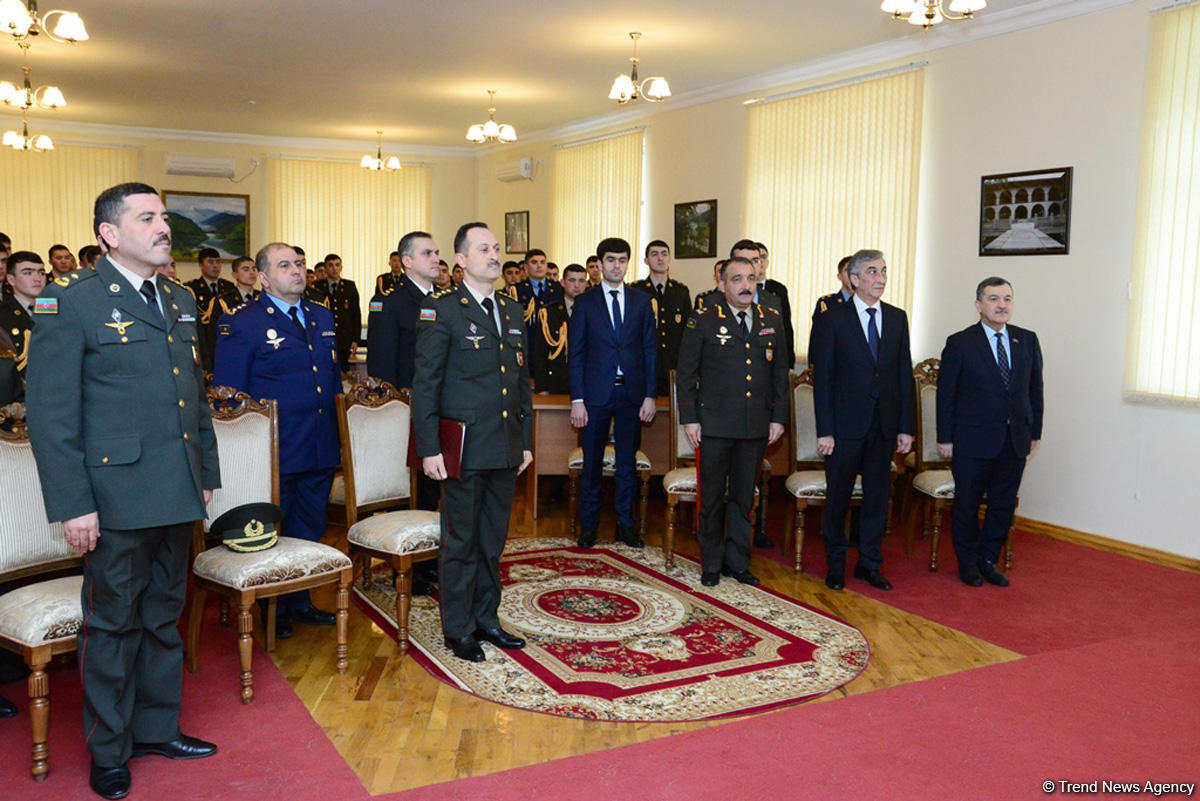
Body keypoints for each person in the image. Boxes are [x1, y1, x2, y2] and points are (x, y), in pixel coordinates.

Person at [26, 182, 221, 800]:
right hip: (113, 496)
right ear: (110, 233)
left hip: (177, 487)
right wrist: (72, 503)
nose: (165, 227)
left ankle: (157, 727)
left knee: (164, 616)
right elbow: (52, 417)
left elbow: (193, 398)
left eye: (164, 216)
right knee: (112, 625)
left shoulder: (178, 297)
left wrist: (207, 473)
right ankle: (109, 750)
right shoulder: (72, 302)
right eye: (148, 217)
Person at [412, 222, 532, 663]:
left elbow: (520, 383)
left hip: (504, 446)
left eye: (497, 248)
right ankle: (458, 628)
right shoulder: (442, 309)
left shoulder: (513, 310)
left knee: (492, 541)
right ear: (461, 260)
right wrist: (429, 448)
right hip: (462, 447)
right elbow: (426, 384)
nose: (495, 256)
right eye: (484, 249)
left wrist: (526, 441)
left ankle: (487, 618)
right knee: (460, 541)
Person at [213, 242, 342, 638]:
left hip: (318, 442)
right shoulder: (244, 322)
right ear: (264, 278)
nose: (297, 271)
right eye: (285, 265)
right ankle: (272, 607)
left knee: (310, 525)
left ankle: (299, 600)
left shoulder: (321, 315)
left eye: (300, 264)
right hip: (274, 449)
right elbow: (228, 396)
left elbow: (331, 380)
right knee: (274, 531)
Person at [675, 256, 788, 587]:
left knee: (743, 498)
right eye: (737, 279)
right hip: (713, 426)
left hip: (755, 426)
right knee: (711, 498)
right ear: (722, 284)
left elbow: (780, 373)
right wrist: (690, 420)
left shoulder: (771, 319)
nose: (746, 286)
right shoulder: (704, 320)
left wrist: (778, 418)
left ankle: (738, 562)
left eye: (751, 278)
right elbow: (686, 374)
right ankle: (711, 563)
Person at [811, 248, 914, 592]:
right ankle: (836, 562)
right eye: (872, 271)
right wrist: (825, 429)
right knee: (838, 498)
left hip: (883, 426)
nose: (880, 278)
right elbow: (822, 379)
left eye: (884, 270)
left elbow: (902, 376)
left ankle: (869, 563)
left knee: (876, 497)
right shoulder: (832, 319)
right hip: (843, 428)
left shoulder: (897, 318)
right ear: (854, 279)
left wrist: (905, 427)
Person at [936, 277, 1043, 587]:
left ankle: (987, 559)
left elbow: (1035, 390)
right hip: (972, 440)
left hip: (1015, 439)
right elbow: (947, 395)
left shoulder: (1027, 339)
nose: (1002, 305)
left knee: (1002, 504)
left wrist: (1034, 430)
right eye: (994, 299)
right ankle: (967, 561)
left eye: (1007, 299)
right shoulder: (960, 342)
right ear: (978, 305)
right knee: (967, 504)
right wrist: (945, 437)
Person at [568, 237, 657, 549]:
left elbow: (650, 350)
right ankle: (589, 527)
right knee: (591, 464)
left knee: (626, 464)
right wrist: (577, 399)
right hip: (594, 397)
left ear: (628, 263)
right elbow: (576, 353)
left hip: (631, 394)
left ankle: (625, 525)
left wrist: (650, 394)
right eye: (610, 260)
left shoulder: (641, 301)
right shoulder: (585, 302)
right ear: (600, 264)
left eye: (621, 260)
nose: (616, 266)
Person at [629, 240, 691, 396]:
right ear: (646, 260)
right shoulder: (636, 291)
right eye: (654, 254)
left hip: (673, 366)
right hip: (643, 366)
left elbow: (688, 331)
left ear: (670, 259)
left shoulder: (680, 291)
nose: (660, 258)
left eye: (664, 254)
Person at [531, 263, 587, 394]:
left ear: (586, 283)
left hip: (587, 384)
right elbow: (540, 353)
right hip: (557, 383)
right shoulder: (549, 313)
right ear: (562, 282)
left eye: (581, 281)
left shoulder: (596, 312)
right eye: (572, 280)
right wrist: (542, 387)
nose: (577, 285)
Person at [199, 255, 259, 371]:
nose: (251, 273)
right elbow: (213, 338)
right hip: (234, 359)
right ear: (235, 275)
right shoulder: (223, 301)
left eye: (254, 269)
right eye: (246, 269)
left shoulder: (262, 298)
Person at [0, 251, 46, 391]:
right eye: (27, 273)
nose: (37, 278)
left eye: (41, 272)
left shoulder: (57, 309)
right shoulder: (3, 314)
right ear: (11, 279)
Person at [808, 255, 854, 364]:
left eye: (855, 270)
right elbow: (816, 340)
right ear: (839, 276)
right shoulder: (826, 304)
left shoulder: (867, 304)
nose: (852, 274)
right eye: (847, 270)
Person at [315, 253, 360, 365]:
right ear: (325, 268)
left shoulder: (350, 286)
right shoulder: (317, 287)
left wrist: (355, 340)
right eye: (330, 265)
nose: (334, 268)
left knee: (345, 374)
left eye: (337, 265)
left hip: (345, 339)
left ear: (341, 267)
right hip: (323, 338)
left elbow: (355, 314)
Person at [755, 242, 795, 368]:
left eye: (763, 257)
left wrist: (789, 360)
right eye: (756, 258)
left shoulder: (778, 289)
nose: (760, 261)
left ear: (768, 261)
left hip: (772, 352)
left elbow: (786, 325)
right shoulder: (741, 288)